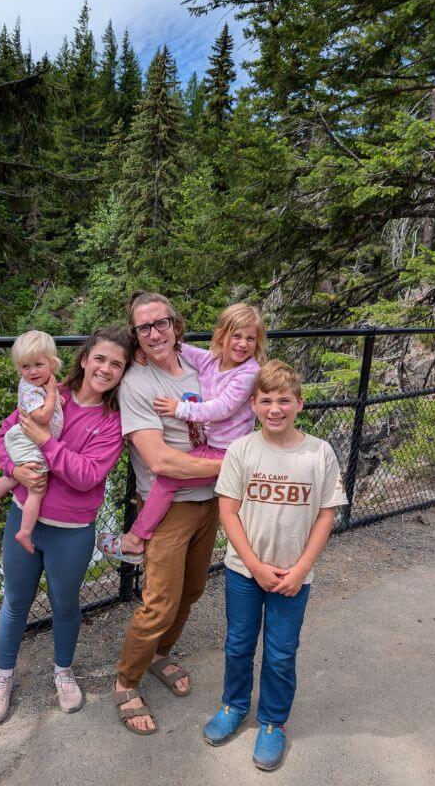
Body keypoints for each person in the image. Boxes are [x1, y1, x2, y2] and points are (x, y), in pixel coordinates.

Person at [0, 326, 133, 723]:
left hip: (71, 529)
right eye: (100, 358)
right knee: (16, 602)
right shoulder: (47, 390)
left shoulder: (113, 421)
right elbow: (4, 435)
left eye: (116, 364)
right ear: (84, 359)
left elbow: (86, 475)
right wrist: (14, 467)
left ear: (122, 373)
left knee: (65, 605)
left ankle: (63, 672)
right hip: (23, 513)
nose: (105, 368)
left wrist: (46, 443)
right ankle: (3, 677)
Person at [203, 360, 348, 770]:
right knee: (238, 644)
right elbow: (228, 512)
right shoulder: (242, 450)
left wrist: (300, 570)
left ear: (299, 403)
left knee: (282, 653)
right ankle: (233, 706)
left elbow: (325, 515)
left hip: (294, 576)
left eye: (284, 400)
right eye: (266, 400)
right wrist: (254, 565)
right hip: (244, 572)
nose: (275, 409)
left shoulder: (319, 452)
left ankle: (272, 722)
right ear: (253, 404)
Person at [112, 291, 224, 735]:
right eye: (144, 327)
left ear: (176, 326)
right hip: (169, 507)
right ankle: (126, 679)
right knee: (159, 602)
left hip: (210, 500)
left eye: (161, 323)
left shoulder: (200, 366)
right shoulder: (137, 384)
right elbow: (160, 461)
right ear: (136, 337)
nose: (155, 333)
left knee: (193, 590)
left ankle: (160, 654)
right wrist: (237, 464)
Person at [97, 303, 266, 564]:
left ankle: (135, 539)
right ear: (221, 335)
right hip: (213, 446)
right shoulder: (212, 360)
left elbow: (221, 408)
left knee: (168, 479)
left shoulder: (248, 373)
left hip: (226, 449)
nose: (243, 344)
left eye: (250, 339)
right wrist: (136, 352)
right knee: (173, 476)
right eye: (237, 336)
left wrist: (180, 409)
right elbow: (178, 349)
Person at [0, 330, 64, 554]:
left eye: (38, 364)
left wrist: (54, 396)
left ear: (52, 364)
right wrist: (53, 394)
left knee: (14, 477)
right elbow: (43, 417)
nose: (32, 371)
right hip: (27, 440)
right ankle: (25, 531)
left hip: (26, 439)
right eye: (25, 366)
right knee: (37, 487)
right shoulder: (32, 390)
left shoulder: (41, 386)